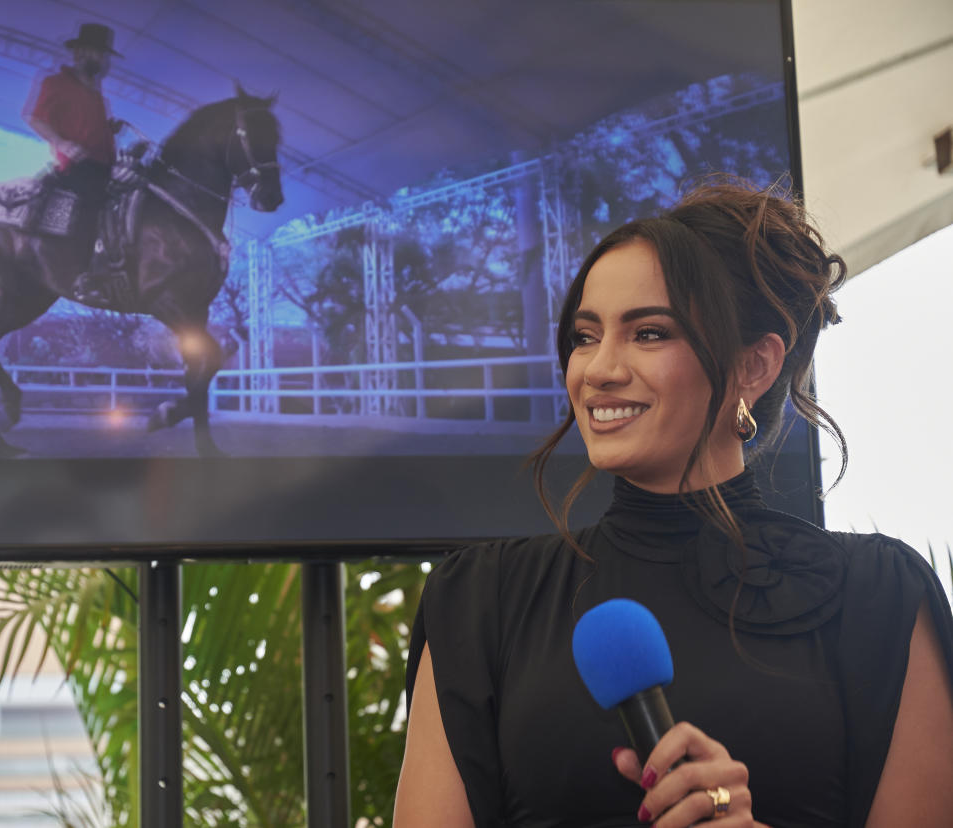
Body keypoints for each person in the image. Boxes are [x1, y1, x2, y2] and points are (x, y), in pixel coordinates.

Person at [393, 181, 953, 827]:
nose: (597, 369)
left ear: (754, 366)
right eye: (584, 335)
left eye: (649, 333)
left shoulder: (881, 597)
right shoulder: (479, 602)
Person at [23, 22, 131, 301]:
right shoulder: (55, 83)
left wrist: (110, 130)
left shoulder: (97, 93)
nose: (102, 60)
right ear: (79, 53)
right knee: (82, 207)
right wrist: (62, 144)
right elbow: (34, 118)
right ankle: (81, 273)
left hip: (105, 165)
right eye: (97, 54)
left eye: (104, 56)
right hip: (76, 168)